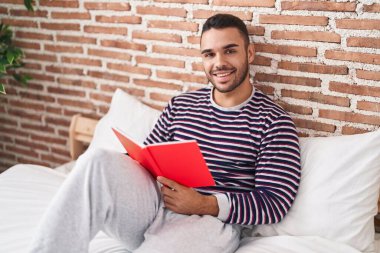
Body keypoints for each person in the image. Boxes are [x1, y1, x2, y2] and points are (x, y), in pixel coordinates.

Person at [29, 14, 301, 253]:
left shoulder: (274, 122)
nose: (219, 63)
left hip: (210, 223)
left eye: (229, 51)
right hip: (153, 204)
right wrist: (126, 164)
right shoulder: (181, 105)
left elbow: (274, 202)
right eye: (209, 54)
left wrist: (204, 203)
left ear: (249, 53)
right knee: (97, 159)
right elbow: (147, 160)